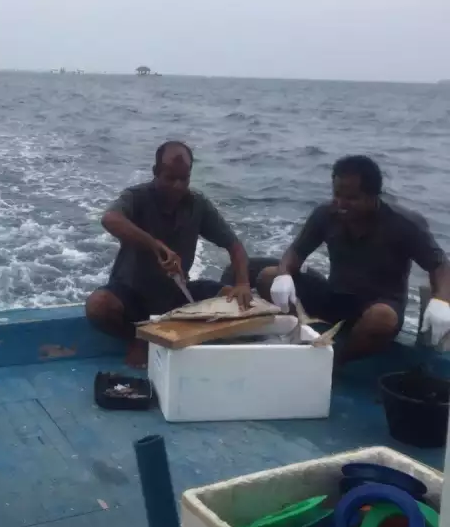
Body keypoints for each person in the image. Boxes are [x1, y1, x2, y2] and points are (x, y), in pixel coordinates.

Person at [256, 155, 450, 364]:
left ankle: (336, 362)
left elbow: (439, 265)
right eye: (337, 194)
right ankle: (300, 339)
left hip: (378, 305)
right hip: (335, 296)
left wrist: (442, 300)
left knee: (382, 318)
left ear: (373, 196)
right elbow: (296, 251)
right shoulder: (326, 214)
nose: (341, 203)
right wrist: (284, 273)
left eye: (352, 198)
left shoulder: (404, 223)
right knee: (268, 276)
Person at [86, 141, 252, 367]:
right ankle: (138, 338)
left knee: (234, 298)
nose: (177, 186)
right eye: (170, 178)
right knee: (98, 305)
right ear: (155, 172)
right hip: (132, 294)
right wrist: (154, 245)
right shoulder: (136, 197)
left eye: (184, 179)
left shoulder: (198, 205)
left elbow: (235, 246)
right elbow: (110, 219)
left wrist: (242, 283)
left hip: (176, 294)